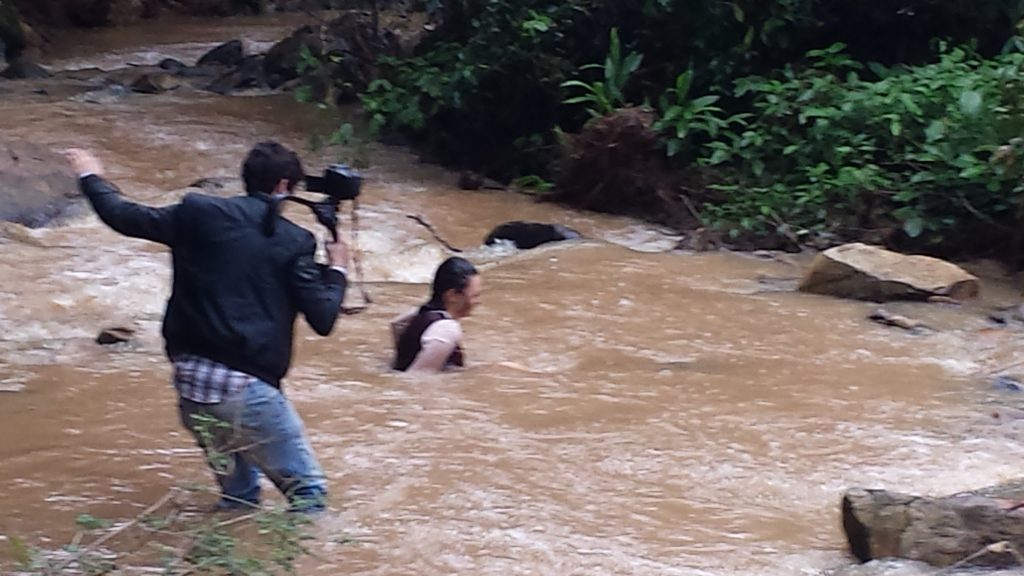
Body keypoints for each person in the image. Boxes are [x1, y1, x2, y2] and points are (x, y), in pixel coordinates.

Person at [66, 142, 350, 513]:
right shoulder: (294, 241)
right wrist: (338, 268)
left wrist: (90, 173)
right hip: (246, 391)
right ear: (284, 186)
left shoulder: (197, 213)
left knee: (240, 499)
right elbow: (324, 318)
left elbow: (122, 215)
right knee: (309, 497)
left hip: (192, 387)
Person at [391, 256, 482, 372]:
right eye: (475, 296)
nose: (478, 302)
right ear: (452, 295)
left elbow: (395, 324)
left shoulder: (419, 313)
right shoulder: (447, 329)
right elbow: (418, 378)